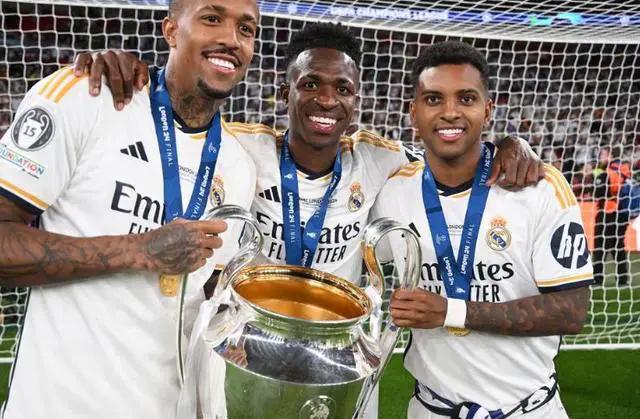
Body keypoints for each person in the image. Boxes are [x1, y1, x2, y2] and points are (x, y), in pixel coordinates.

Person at [75, 23, 544, 419]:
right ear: (285, 92)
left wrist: (507, 144)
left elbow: (452, 153)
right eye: (311, 84)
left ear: (355, 100)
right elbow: (178, 124)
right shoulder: (242, 148)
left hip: (336, 360)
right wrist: (122, 71)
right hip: (247, 350)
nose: (327, 100)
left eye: (342, 89)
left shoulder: (380, 161)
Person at [0, 0, 258, 419]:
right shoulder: (86, 97)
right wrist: (140, 250)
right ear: (171, 30)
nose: (231, 39)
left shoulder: (238, 165)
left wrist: (235, 326)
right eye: (212, 18)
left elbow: (204, 291)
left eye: (246, 29)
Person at [371, 41, 593, 419]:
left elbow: (571, 311)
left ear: (488, 109)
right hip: (430, 409)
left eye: (467, 98)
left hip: (529, 410)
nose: (450, 112)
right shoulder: (392, 191)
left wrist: (451, 311)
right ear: (413, 112)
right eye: (434, 99)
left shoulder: (538, 187)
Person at [592, 146, 631, 285]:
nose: (600, 157)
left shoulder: (607, 174)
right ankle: (622, 278)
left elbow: (598, 194)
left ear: (611, 156)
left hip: (607, 213)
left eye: (602, 155)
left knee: (600, 247)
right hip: (623, 213)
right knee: (617, 246)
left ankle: (597, 278)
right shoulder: (625, 171)